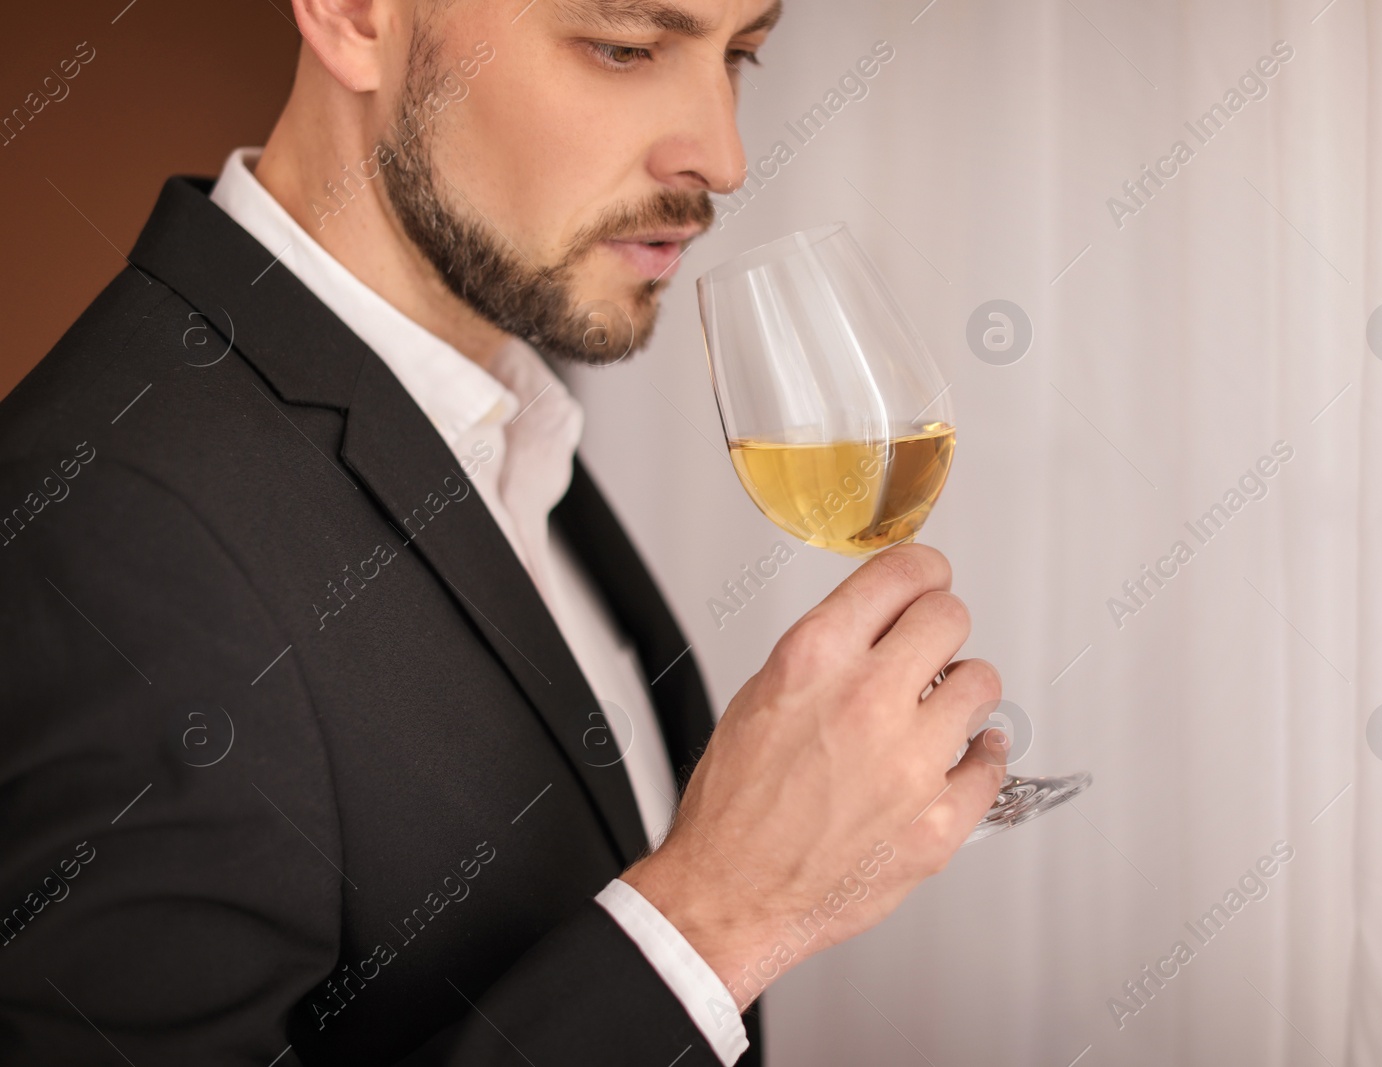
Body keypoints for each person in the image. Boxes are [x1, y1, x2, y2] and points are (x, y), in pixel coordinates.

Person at [0, 1, 1007, 1063]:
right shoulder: (102, 521)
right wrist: (719, 918)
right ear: (353, 16)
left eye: (741, 54)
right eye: (625, 47)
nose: (721, 154)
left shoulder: (497, 411)